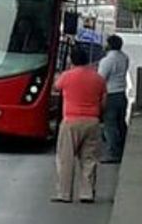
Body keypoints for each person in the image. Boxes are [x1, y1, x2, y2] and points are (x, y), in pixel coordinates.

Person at [52, 46, 107, 204]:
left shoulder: (67, 76)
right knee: (89, 159)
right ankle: (87, 193)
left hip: (71, 121)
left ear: (71, 60)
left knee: (66, 159)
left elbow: (56, 87)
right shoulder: (98, 78)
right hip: (92, 121)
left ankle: (64, 193)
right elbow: (104, 101)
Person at [98, 34, 130, 163]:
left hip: (110, 94)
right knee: (120, 123)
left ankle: (113, 153)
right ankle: (122, 148)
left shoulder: (107, 61)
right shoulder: (124, 57)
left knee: (110, 125)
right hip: (121, 93)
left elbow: (100, 79)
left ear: (109, 45)